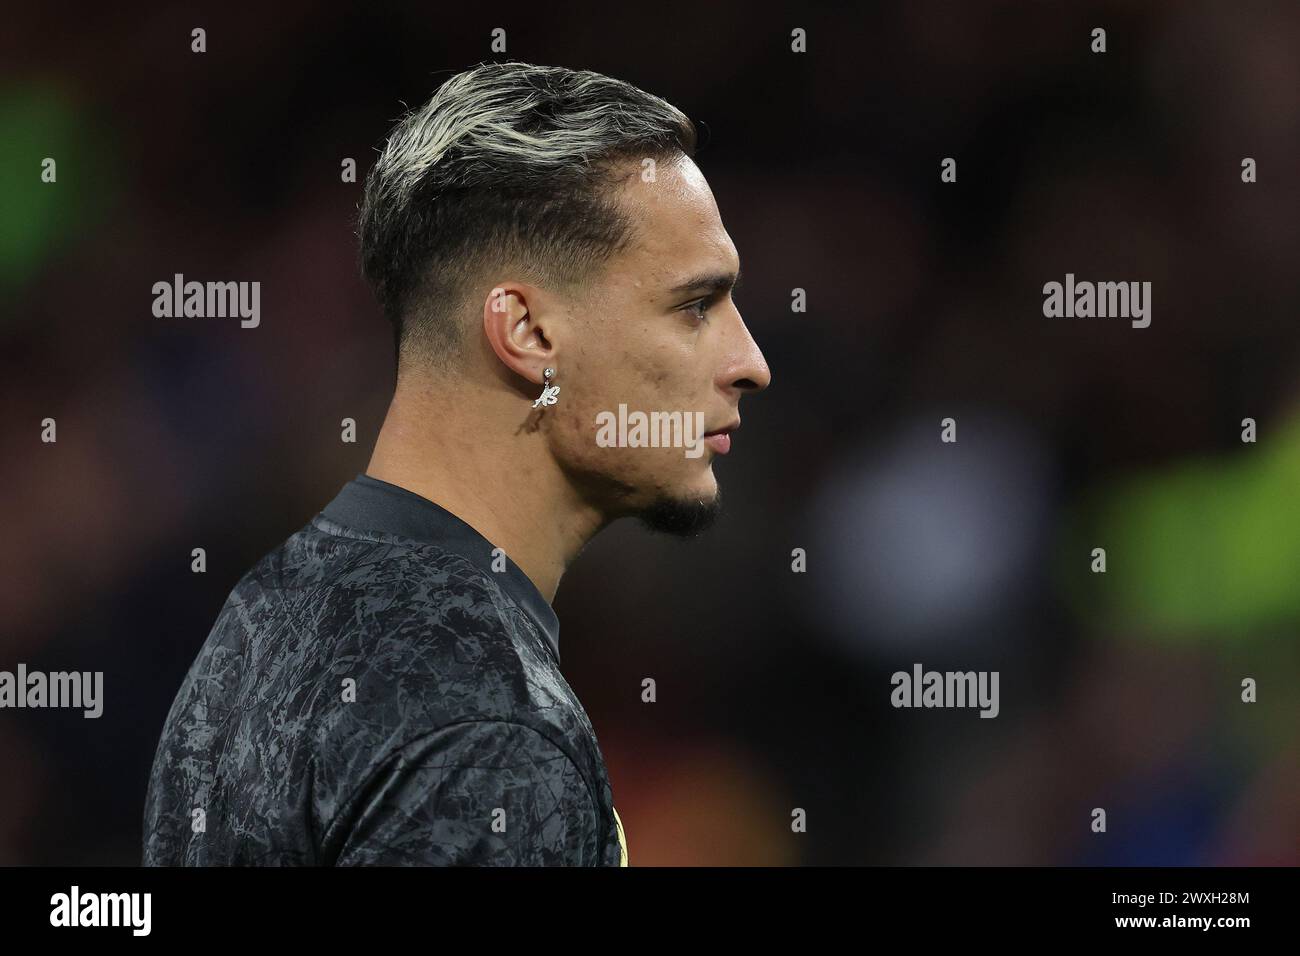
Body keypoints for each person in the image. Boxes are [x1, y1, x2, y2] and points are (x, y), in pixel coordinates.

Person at [143, 60, 770, 866]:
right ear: (531, 335)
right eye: (694, 305)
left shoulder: (265, 612)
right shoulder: (490, 726)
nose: (750, 360)